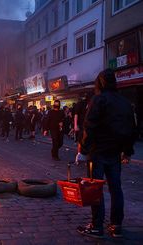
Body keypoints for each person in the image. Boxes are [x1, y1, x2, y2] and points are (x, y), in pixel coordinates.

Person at [76, 69, 136, 239]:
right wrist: (128, 151)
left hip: (98, 151)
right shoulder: (124, 102)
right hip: (115, 152)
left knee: (95, 189)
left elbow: (90, 125)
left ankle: (96, 226)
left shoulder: (99, 99)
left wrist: (83, 149)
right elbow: (131, 127)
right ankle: (116, 225)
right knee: (116, 189)